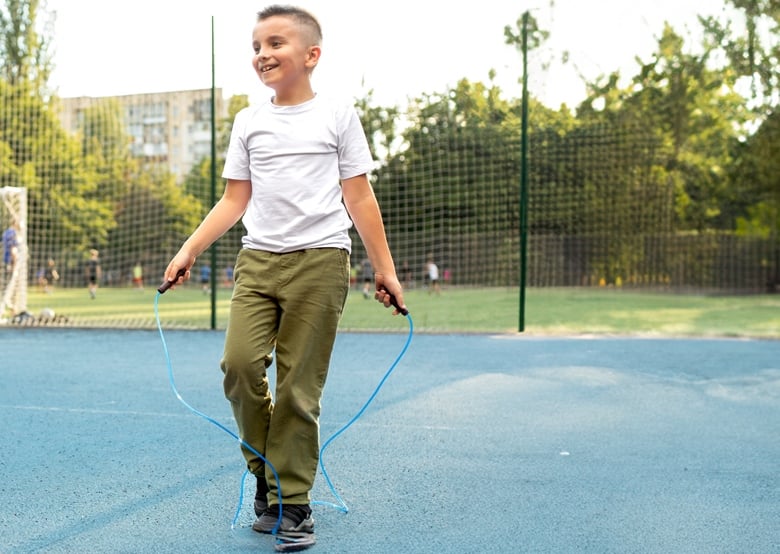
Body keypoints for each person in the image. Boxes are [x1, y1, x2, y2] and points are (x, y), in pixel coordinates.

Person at [161, 5, 406, 542]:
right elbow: (234, 199)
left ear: (311, 55)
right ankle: (265, 478)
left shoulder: (338, 116)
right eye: (255, 47)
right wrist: (188, 251)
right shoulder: (249, 121)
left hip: (320, 262)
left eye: (275, 44)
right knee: (239, 367)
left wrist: (384, 270)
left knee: (298, 389)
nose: (262, 55)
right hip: (257, 263)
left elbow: (359, 195)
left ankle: (293, 501)